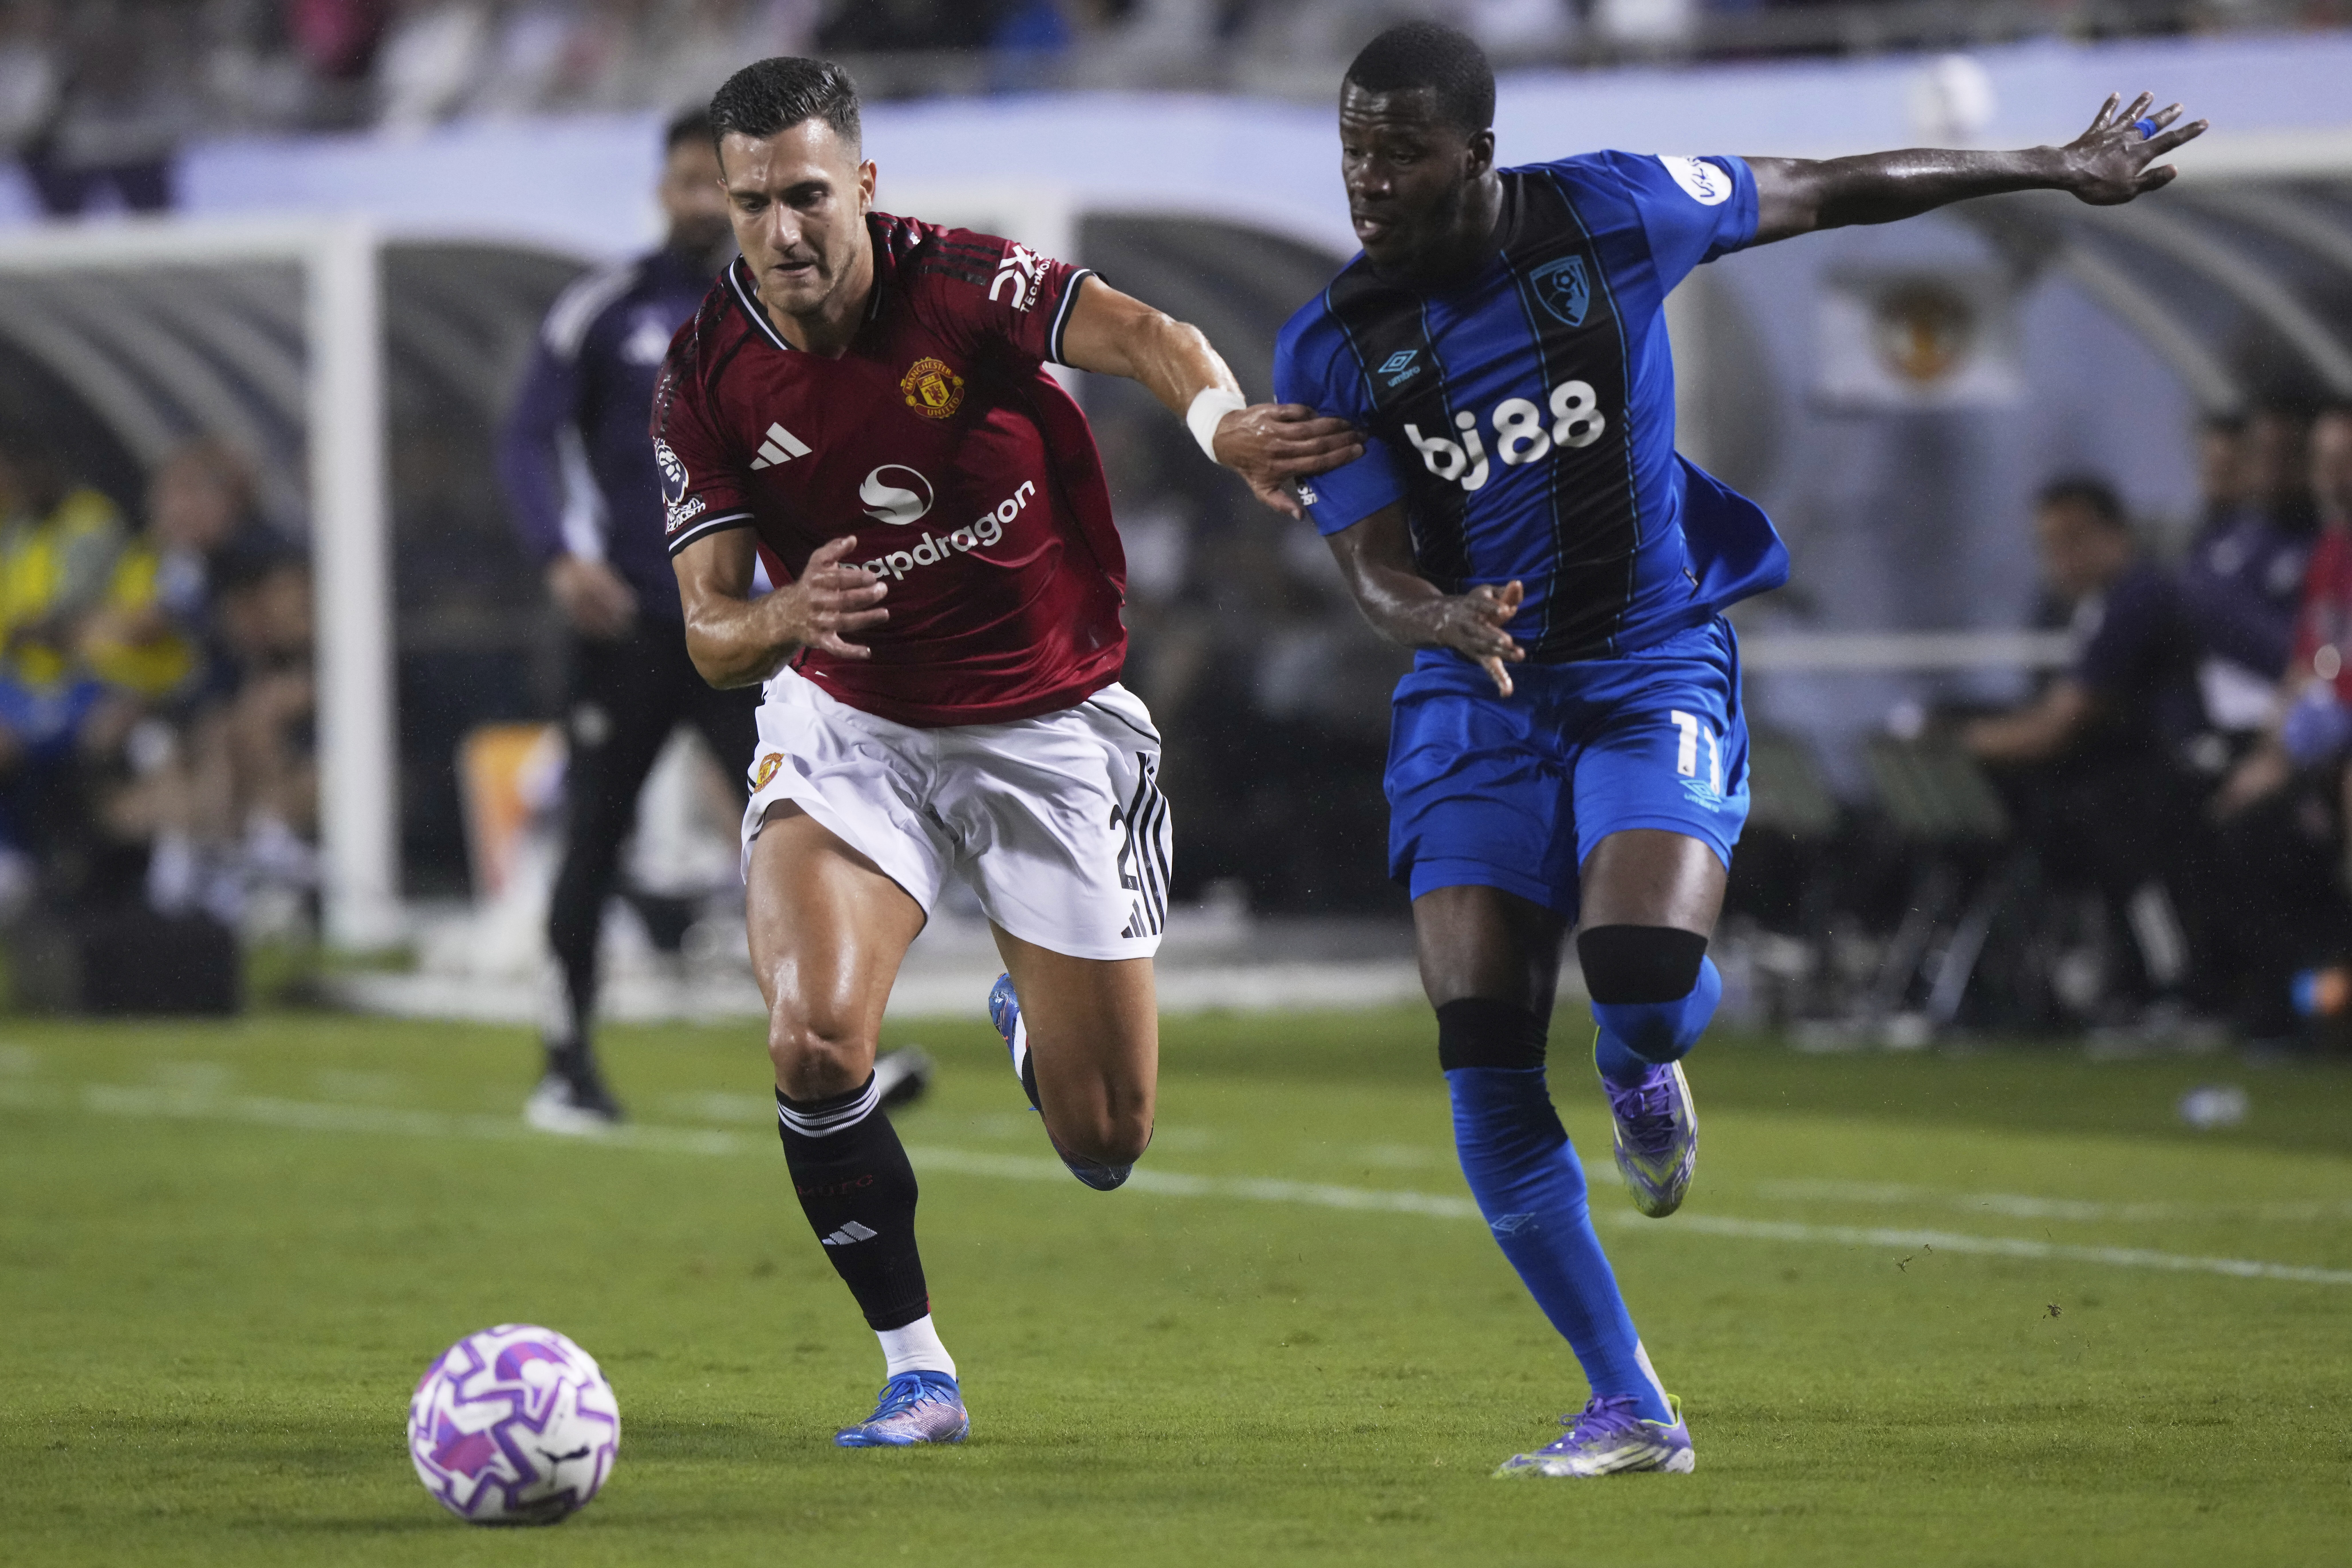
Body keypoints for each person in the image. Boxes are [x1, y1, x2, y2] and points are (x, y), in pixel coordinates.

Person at [1269, 19, 2204, 1478]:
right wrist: (1429, 614)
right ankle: (1630, 1406)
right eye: (1351, 150)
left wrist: (2044, 164)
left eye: (1400, 150)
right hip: (1475, 693)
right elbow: (1370, 565)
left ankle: (1640, 1064)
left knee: (1638, 979)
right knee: (1483, 1049)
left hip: (1646, 659)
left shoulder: (1612, 210)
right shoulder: (1332, 344)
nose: (1367, 179)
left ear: (1476, 153)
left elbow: (1827, 187)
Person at [656, 57, 1354, 1448]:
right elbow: (711, 635)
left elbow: (1147, 333)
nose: (782, 231)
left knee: (1105, 1142)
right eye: (751, 204)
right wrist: (786, 616)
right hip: (853, 730)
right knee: (813, 1040)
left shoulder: (959, 283)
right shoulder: (704, 377)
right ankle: (916, 1371)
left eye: (807, 196)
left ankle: (1030, 1024)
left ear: (862, 184)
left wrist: (1220, 426)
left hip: (1045, 726)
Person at [499, 107, 768, 1134]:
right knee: (596, 836)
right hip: (631, 626)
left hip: (749, 627)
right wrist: (558, 555)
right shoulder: (604, 311)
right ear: (662, 189)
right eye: (689, 181)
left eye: (719, 184)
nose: (703, 201)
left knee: (798, 832)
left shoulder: (783, 309)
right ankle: (565, 1060)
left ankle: (835, 1054)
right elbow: (525, 439)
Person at [1963, 478, 2215, 1018]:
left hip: (2165, 782)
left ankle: (2173, 989)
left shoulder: (2137, 598)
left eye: (2074, 540)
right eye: (2049, 545)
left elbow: (2059, 724)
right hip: (2112, 786)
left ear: (2116, 535)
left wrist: (1962, 743)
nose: (2061, 559)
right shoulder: (2064, 611)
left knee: (2109, 831)